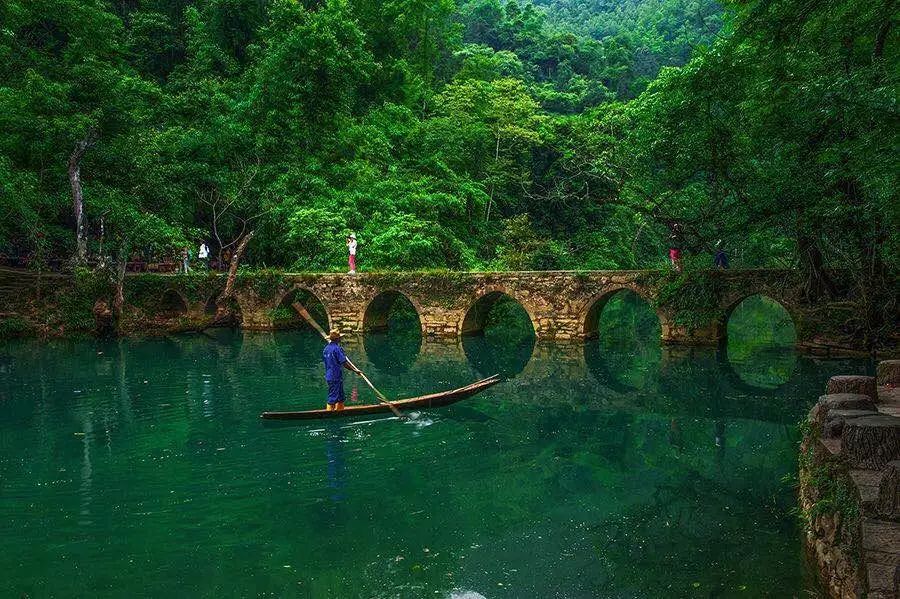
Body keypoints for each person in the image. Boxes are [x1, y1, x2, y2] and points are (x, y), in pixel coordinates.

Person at [322, 330, 361, 411]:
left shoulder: (326, 349)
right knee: (332, 398)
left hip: (331, 376)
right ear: (338, 339)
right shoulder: (337, 349)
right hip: (335, 377)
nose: (341, 339)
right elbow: (344, 363)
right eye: (340, 338)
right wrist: (355, 370)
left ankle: (340, 412)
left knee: (340, 398)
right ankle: (328, 415)